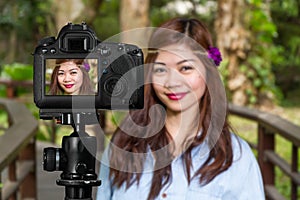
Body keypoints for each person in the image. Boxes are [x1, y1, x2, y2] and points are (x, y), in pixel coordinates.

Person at [96, 18, 265, 200]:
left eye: (185, 68)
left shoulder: (235, 156)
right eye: (161, 70)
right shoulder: (124, 145)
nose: (172, 83)